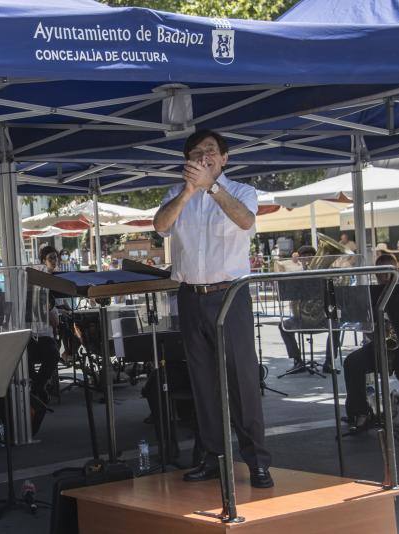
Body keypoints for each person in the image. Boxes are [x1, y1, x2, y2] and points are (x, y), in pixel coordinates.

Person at [153, 129, 272, 488]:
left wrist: (212, 188)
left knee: (242, 380)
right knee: (202, 381)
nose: (202, 156)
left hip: (230, 295)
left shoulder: (241, 191)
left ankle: (257, 461)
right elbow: (160, 226)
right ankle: (212, 456)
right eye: (195, 152)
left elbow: (246, 221)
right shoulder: (177, 193)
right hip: (191, 294)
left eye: (209, 151)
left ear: (224, 158)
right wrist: (190, 191)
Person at [343, 254, 399, 432]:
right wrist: (373, 331)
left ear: (396, 271)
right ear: (375, 275)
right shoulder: (369, 295)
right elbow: (363, 326)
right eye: (380, 273)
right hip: (380, 344)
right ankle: (361, 413)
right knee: (352, 363)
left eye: (388, 272)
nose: (384, 277)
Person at [277, 246, 341, 374]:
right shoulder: (296, 273)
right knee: (283, 326)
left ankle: (329, 362)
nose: (308, 258)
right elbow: (292, 300)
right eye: (304, 255)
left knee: (336, 326)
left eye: (311, 255)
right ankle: (297, 361)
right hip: (301, 318)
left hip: (321, 318)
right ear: (300, 258)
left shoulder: (324, 274)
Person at [28, 246, 61, 403]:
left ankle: (36, 387)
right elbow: (53, 319)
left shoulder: (57, 279)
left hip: (44, 333)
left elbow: (54, 315)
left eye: (56, 257)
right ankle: (37, 387)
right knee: (27, 358)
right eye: (51, 258)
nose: (55, 261)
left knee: (52, 353)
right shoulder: (40, 282)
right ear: (43, 261)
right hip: (35, 332)